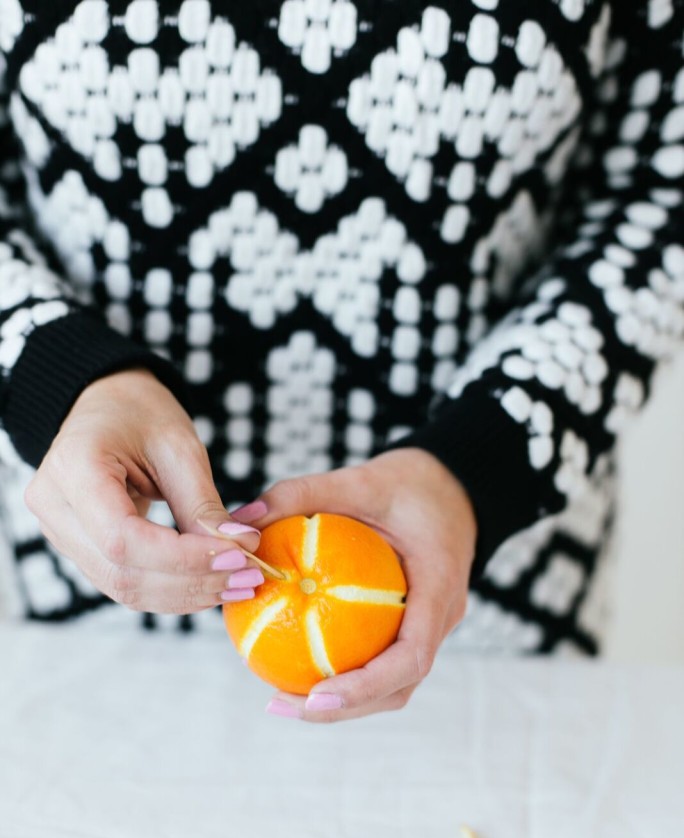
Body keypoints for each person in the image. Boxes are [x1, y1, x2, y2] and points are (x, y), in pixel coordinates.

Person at [0, 1, 682, 722]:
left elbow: (662, 195)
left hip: (488, 596)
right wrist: (57, 376)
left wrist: (474, 466)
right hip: (98, 572)